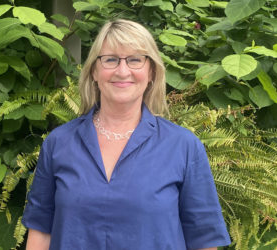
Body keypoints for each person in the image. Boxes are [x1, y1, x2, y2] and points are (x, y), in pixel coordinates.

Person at [22, 19, 231, 250]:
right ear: (94, 71)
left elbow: (205, 239)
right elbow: (40, 232)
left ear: (151, 71)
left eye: (135, 60)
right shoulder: (59, 143)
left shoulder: (183, 146)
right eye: (110, 59)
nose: (123, 71)